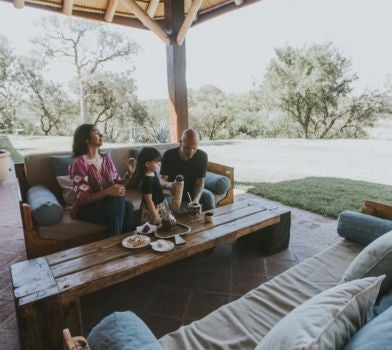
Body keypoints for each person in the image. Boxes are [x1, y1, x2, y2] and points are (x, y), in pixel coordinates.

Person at [69, 124, 135, 235]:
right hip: (86, 209)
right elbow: (82, 198)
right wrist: (108, 191)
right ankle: (116, 242)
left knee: (128, 206)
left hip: (107, 204)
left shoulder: (106, 159)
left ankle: (119, 241)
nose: (101, 135)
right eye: (96, 132)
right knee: (118, 201)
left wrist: (129, 174)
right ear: (86, 138)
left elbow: (117, 184)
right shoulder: (79, 163)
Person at [160, 128, 215, 211]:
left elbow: (200, 184)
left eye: (194, 148)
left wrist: (195, 201)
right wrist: (169, 185)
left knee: (208, 197)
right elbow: (161, 180)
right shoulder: (168, 155)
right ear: (181, 142)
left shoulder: (202, 156)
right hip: (173, 192)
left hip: (192, 191)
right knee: (171, 206)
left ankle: (208, 223)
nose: (191, 151)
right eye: (187, 148)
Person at [134, 147, 173, 226]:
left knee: (166, 224)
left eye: (159, 161)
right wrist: (155, 215)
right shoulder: (147, 180)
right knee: (153, 227)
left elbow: (156, 187)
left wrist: (166, 190)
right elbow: (148, 200)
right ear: (147, 164)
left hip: (160, 204)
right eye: (156, 161)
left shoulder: (153, 173)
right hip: (152, 208)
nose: (159, 163)